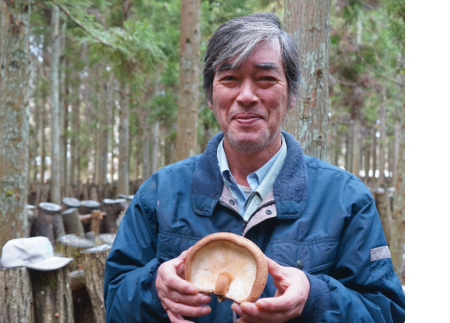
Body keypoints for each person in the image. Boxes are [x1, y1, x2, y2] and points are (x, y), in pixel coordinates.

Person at [103, 12, 405, 323]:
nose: (246, 96)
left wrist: (314, 300)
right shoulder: (160, 192)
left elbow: (386, 312)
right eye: (230, 79)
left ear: (292, 96)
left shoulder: (346, 199)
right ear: (210, 95)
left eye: (266, 79)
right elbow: (114, 299)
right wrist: (154, 288)